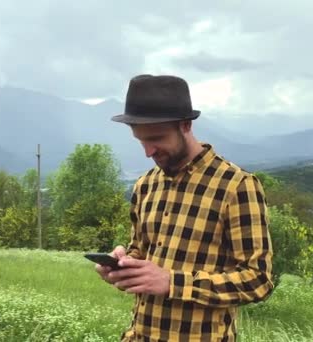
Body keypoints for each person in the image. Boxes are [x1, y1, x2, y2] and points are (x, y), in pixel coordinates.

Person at [96, 74, 274, 341]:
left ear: (186, 125)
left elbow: (258, 280)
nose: (148, 151)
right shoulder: (145, 185)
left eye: (156, 138)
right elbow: (143, 252)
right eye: (141, 140)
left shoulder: (236, 186)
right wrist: (123, 264)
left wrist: (172, 283)